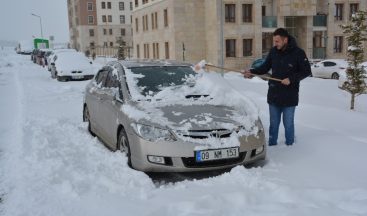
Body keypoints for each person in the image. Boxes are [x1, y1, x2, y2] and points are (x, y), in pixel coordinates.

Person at [243, 28, 311, 146]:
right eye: (274, 41)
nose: (275, 44)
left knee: (288, 123)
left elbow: (306, 71)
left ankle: (290, 146)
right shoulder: (274, 52)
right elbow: (264, 68)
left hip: (290, 96)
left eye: (277, 41)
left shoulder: (298, 53)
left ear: (285, 40)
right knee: (273, 123)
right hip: (274, 95)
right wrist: (251, 72)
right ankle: (272, 144)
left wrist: (291, 79)